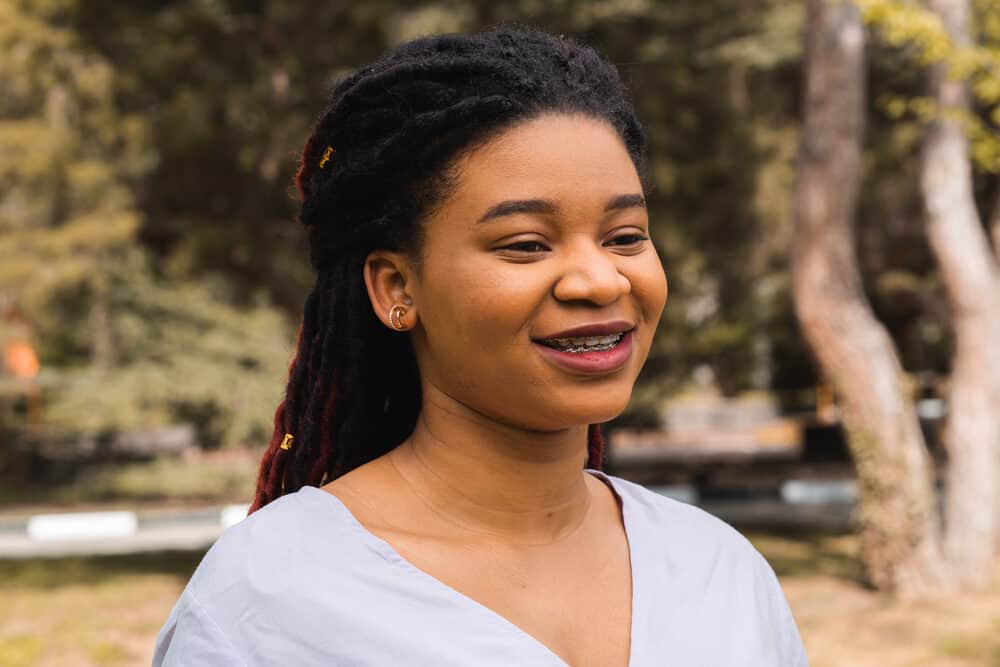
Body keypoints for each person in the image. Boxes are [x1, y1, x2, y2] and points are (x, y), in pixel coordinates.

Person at [152, 24, 809, 667]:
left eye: (625, 236)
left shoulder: (720, 571)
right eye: (527, 244)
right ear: (396, 288)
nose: (600, 279)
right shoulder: (270, 598)